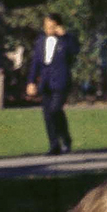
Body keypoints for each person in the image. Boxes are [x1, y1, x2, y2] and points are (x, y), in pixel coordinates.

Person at [26, 14, 76, 154]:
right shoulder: (40, 41)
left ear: (58, 26)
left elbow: (74, 52)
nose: (48, 29)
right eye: (46, 26)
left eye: (52, 26)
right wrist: (31, 82)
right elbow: (35, 63)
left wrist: (65, 36)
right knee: (47, 113)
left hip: (61, 80)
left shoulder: (66, 40)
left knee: (55, 109)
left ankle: (66, 139)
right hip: (45, 81)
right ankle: (54, 145)